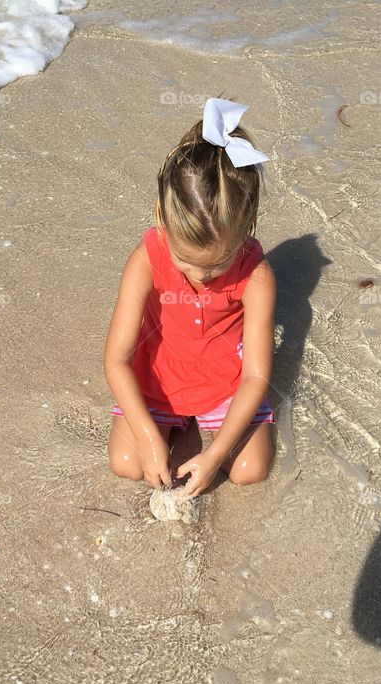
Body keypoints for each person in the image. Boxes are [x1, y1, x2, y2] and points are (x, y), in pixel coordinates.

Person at [104, 97, 277, 498]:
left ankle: (210, 439)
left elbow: (255, 376)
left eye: (217, 266)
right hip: (159, 374)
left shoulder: (257, 276)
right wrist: (149, 438)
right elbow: (116, 360)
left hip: (226, 380)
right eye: (185, 262)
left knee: (250, 471)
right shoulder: (146, 258)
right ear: (162, 218)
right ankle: (162, 430)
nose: (201, 276)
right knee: (127, 463)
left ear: (246, 229)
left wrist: (215, 455)